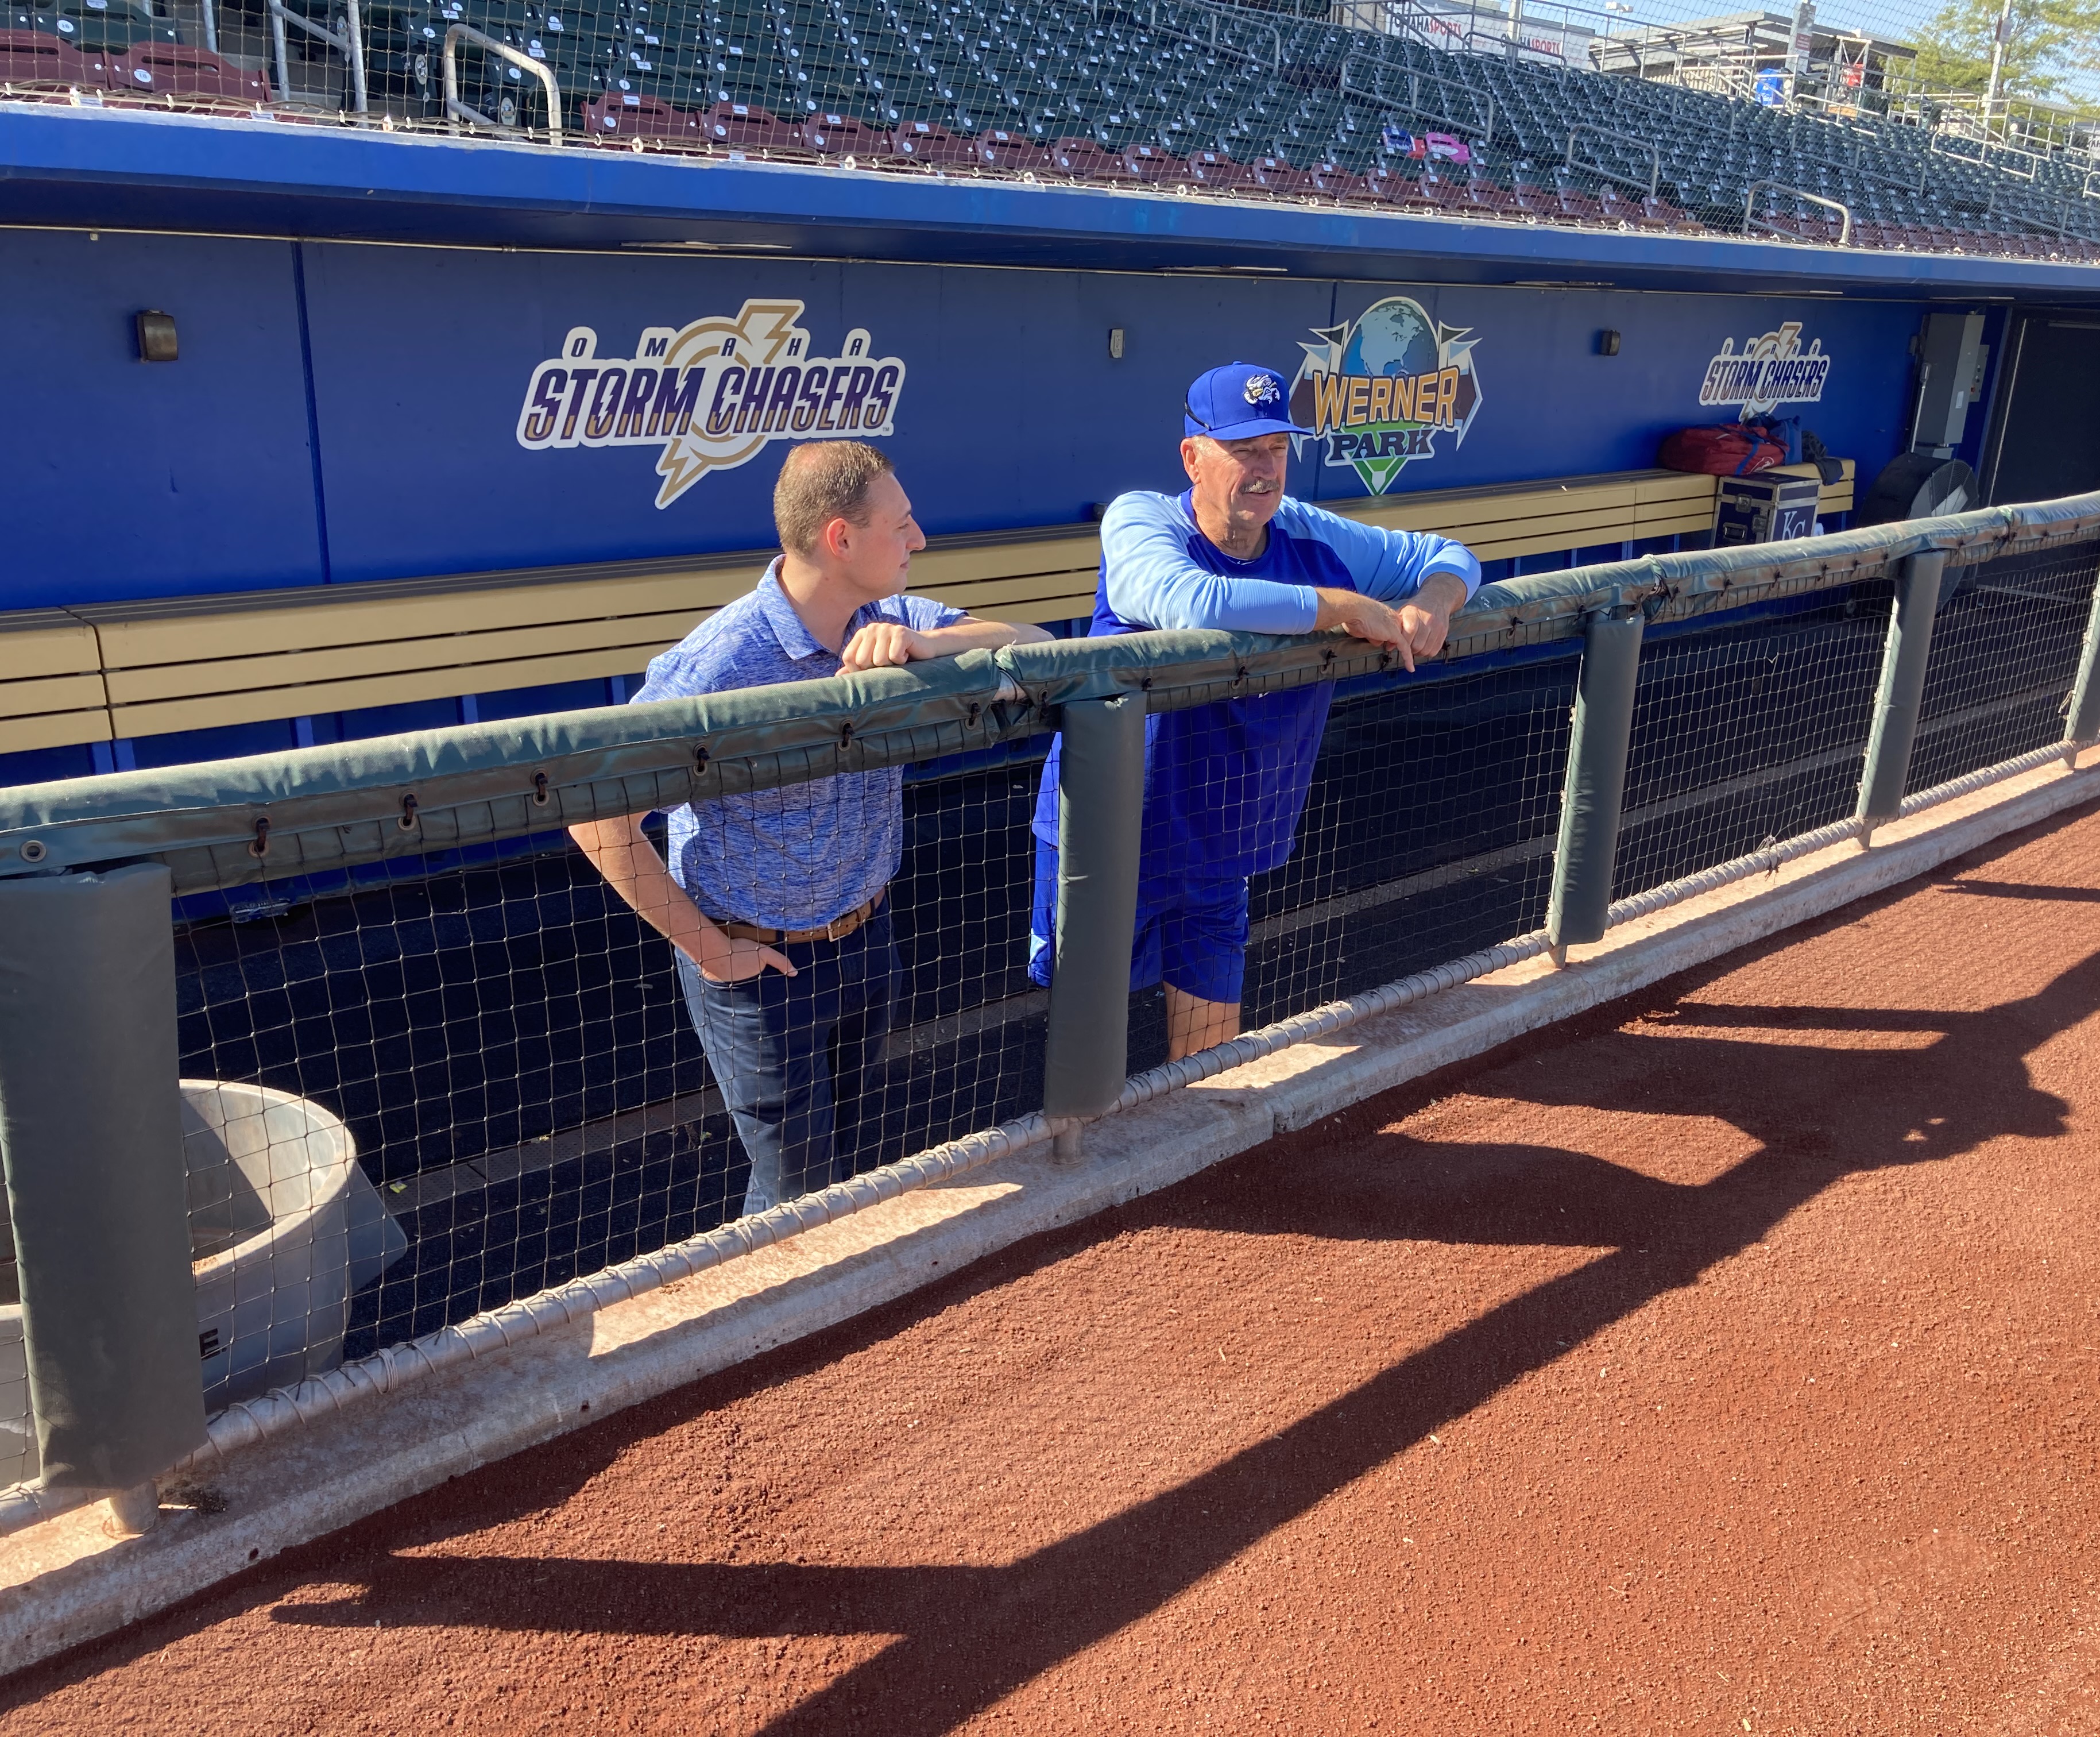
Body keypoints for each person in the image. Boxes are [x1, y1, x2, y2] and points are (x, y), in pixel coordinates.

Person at [570, 441, 1047, 1214]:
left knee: (850, 1166)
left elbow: (1039, 642)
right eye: (902, 524)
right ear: (841, 539)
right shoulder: (717, 665)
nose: (919, 539)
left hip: (867, 943)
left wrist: (934, 646)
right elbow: (596, 816)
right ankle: (771, 1330)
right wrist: (714, 954)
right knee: (795, 1194)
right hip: (761, 970)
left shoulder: (893, 619)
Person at [1028, 361, 1482, 1060]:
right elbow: (1193, 603)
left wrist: (1436, 601)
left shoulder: (1308, 532)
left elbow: (1448, 554)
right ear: (1193, 457)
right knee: (1088, 1068)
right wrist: (1339, 606)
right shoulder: (1143, 518)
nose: (1265, 469)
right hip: (1110, 843)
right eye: (1244, 451)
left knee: (1210, 1064)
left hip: (1223, 845)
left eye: (1278, 448)